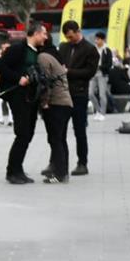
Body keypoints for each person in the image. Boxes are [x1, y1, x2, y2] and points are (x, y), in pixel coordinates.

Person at [0, 23, 46, 185]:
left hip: (30, 98)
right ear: (36, 34)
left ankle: (18, 169)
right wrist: (18, 78)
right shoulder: (18, 48)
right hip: (17, 96)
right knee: (22, 134)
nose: (46, 37)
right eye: (44, 34)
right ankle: (12, 171)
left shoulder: (36, 51)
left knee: (28, 134)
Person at [56, 20, 98, 177]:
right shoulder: (63, 47)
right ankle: (59, 163)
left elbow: (89, 72)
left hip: (79, 95)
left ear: (77, 31)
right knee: (59, 131)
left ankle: (82, 163)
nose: (69, 39)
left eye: (71, 36)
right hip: (63, 94)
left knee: (79, 131)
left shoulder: (90, 49)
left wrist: (69, 72)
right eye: (67, 37)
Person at [37, 42, 73, 184]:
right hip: (65, 103)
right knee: (60, 139)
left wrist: (44, 102)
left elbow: (46, 82)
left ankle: (59, 175)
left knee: (56, 140)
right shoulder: (53, 57)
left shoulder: (43, 57)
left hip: (56, 104)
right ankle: (63, 172)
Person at [90, 32, 113, 120]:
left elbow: (109, 64)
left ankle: (102, 113)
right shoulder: (93, 49)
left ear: (103, 40)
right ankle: (98, 110)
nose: (96, 41)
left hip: (102, 74)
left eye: (98, 39)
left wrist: (100, 67)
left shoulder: (107, 50)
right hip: (93, 74)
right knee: (90, 94)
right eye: (96, 39)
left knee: (102, 94)